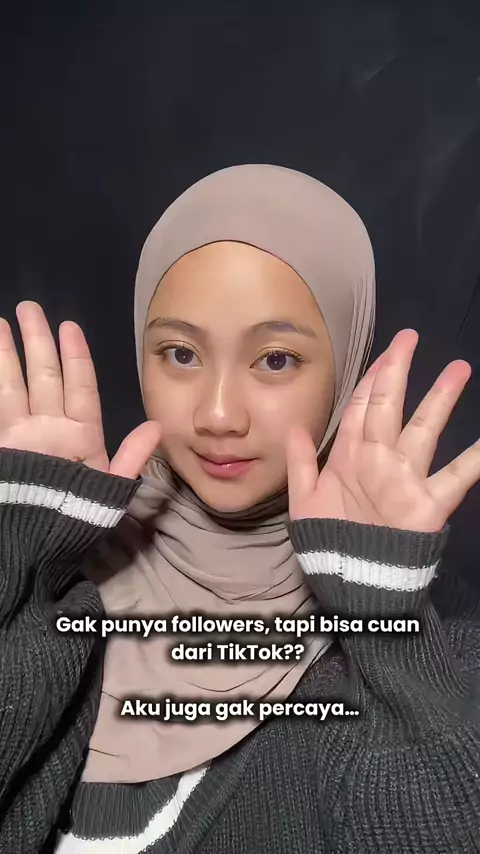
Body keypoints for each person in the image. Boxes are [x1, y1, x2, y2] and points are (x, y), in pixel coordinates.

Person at [0, 164, 479, 854]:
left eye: (275, 360)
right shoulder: (55, 572)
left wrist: (384, 623)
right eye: (180, 353)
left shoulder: (436, 645)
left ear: (346, 365)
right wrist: (15, 565)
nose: (219, 415)